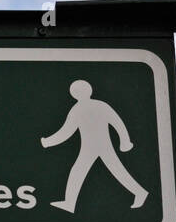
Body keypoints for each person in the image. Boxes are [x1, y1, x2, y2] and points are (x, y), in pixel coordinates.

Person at [40, 79, 148, 213]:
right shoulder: (99, 105)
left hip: (97, 147)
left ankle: (140, 192)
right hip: (93, 147)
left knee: (112, 171)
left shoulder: (79, 109)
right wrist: (124, 140)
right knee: (83, 171)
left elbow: (66, 132)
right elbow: (118, 123)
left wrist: (47, 142)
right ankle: (69, 203)